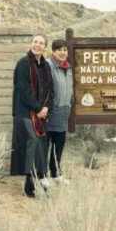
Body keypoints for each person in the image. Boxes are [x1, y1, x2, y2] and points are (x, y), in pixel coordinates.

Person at [10, 34, 54, 198]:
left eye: (41, 43)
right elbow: (23, 89)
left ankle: (38, 180)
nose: (37, 45)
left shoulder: (45, 66)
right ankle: (32, 183)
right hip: (25, 112)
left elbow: (50, 89)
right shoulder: (23, 63)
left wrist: (47, 108)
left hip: (41, 113)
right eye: (35, 42)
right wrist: (38, 108)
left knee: (40, 145)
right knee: (32, 143)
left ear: (45, 47)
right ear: (31, 44)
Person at [46, 39, 73, 184]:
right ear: (53, 51)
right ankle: (42, 175)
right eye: (59, 50)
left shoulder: (68, 68)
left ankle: (56, 173)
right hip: (50, 113)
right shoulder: (47, 66)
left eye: (65, 50)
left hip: (63, 113)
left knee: (59, 145)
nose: (63, 53)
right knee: (45, 146)